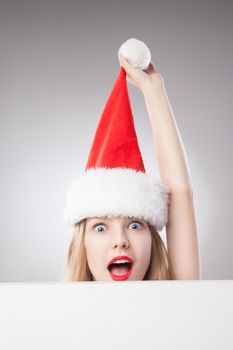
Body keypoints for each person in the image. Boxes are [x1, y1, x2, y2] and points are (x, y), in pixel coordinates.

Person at [63, 48, 200, 282]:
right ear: (81, 248)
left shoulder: (177, 302)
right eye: (100, 227)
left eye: (135, 225)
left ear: (153, 242)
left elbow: (179, 195)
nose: (120, 241)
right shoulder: (58, 313)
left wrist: (153, 92)